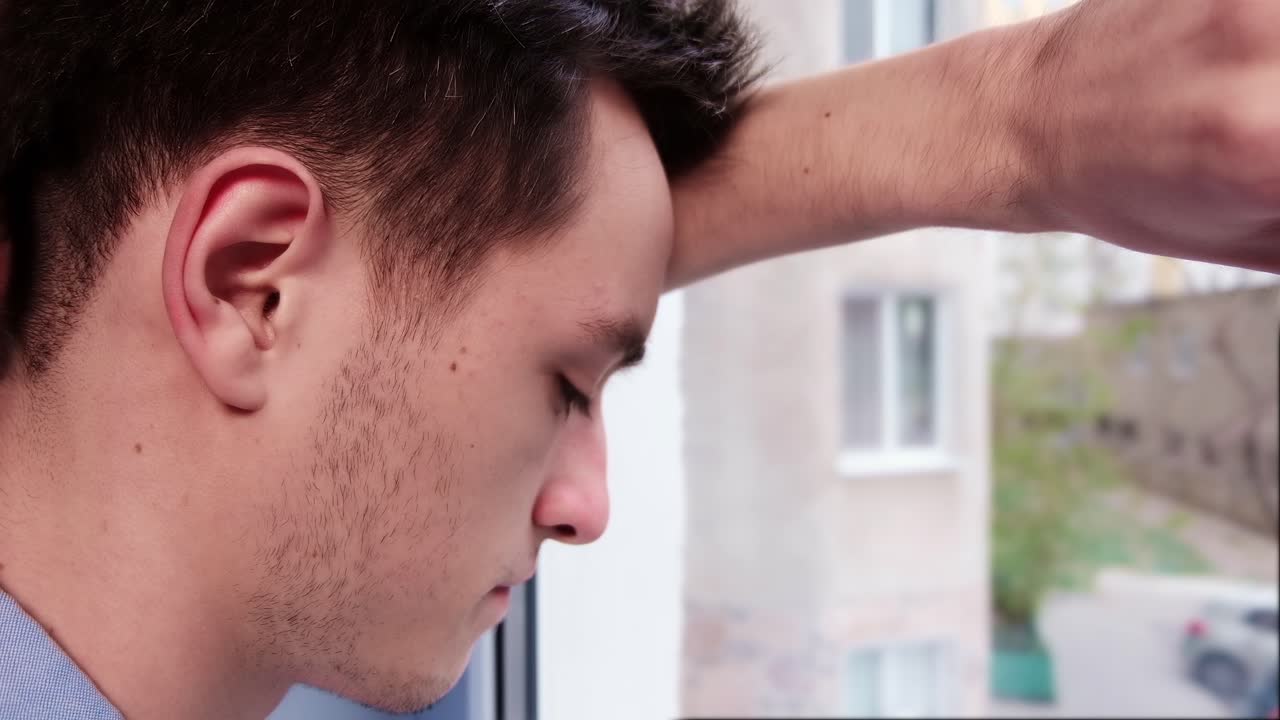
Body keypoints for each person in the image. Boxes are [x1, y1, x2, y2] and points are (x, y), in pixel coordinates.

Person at [0, 1, 1275, 718]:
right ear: (249, 287)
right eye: (566, 387)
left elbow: (470, 259)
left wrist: (1020, 124)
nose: (585, 509)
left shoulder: (323, 644)